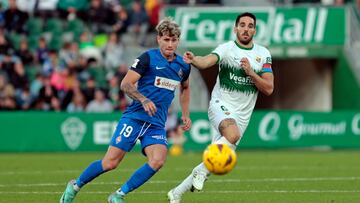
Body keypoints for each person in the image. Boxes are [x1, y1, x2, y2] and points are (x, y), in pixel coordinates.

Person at [59, 17, 192, 203]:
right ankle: (75, 186)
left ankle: (118, 195)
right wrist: (143, 99)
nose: (170, 44)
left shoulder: (183, 65)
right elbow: (126, 84)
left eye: (174, 40)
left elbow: (185, 88)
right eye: (166, 39)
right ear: (159, 39)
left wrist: (185, 114)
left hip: (156, 123)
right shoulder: (148, 58)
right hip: (135, 117)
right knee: (110, 163)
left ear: (178, 40)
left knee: (158, 160)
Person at [167, 12, 274, 203]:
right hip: (220, 105)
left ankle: (176, 193)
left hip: (243, 117)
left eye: (250, 26)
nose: (246, 29)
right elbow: (207, 61)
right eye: (242, 25)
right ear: (235, 28)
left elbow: (268, 88)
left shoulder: (263, 54)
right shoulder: (227, 49)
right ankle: (198, 173)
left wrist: (250, 72)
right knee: (232, 135)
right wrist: (194, 59)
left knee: (214, 163)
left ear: (254, 30)